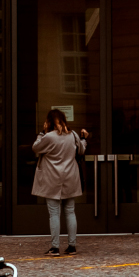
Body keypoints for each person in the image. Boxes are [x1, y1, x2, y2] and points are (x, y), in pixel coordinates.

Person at [30, 108, 87, 254]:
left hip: (52, 178)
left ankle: (55, 247)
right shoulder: (73, 135)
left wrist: (41, 133)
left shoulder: (48, 137)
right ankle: (72, 246)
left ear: (49, 122)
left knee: (54, 213)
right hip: (70, 177)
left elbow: (36, 148)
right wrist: (84, 138)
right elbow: (81, 150)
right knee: (70, 211)